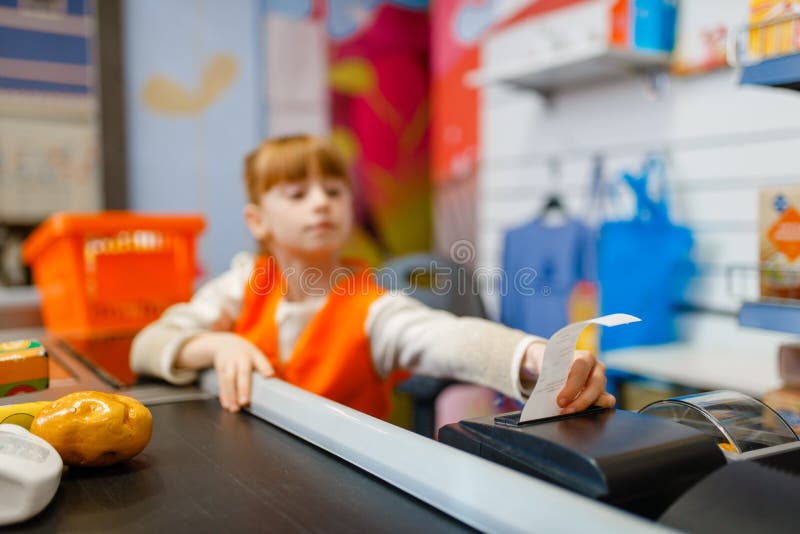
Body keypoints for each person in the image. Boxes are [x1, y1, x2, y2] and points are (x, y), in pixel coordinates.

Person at [130, 135, 615, 418]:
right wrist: (219, 346)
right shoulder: (241, 285)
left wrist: (532, 355)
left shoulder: (372, 306)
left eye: (334, 190)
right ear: (257, 220)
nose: (321, 202)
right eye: (297, 193)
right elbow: (148, 345)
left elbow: (445, 337)